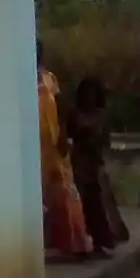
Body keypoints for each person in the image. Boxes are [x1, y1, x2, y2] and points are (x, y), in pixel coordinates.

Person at [37, 40, 93, 259]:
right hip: (33, 145)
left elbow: (61, 109)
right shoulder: (18, 79)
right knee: (40, 194)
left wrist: (63, 136)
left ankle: (75, 242)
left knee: (64, 188)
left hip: (53, 143)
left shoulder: (49, 78)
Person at [67, 76, 130, 256]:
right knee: (82, 204)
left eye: (93, 93)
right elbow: (68, 136)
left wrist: (102, 158)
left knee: (101, 205)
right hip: (79, 161)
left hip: (95, 162)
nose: (90, 97)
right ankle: (82, 243)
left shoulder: (101, 115)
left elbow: (105, 141)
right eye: (87, 93)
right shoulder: (75, 113)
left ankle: (100, 243)